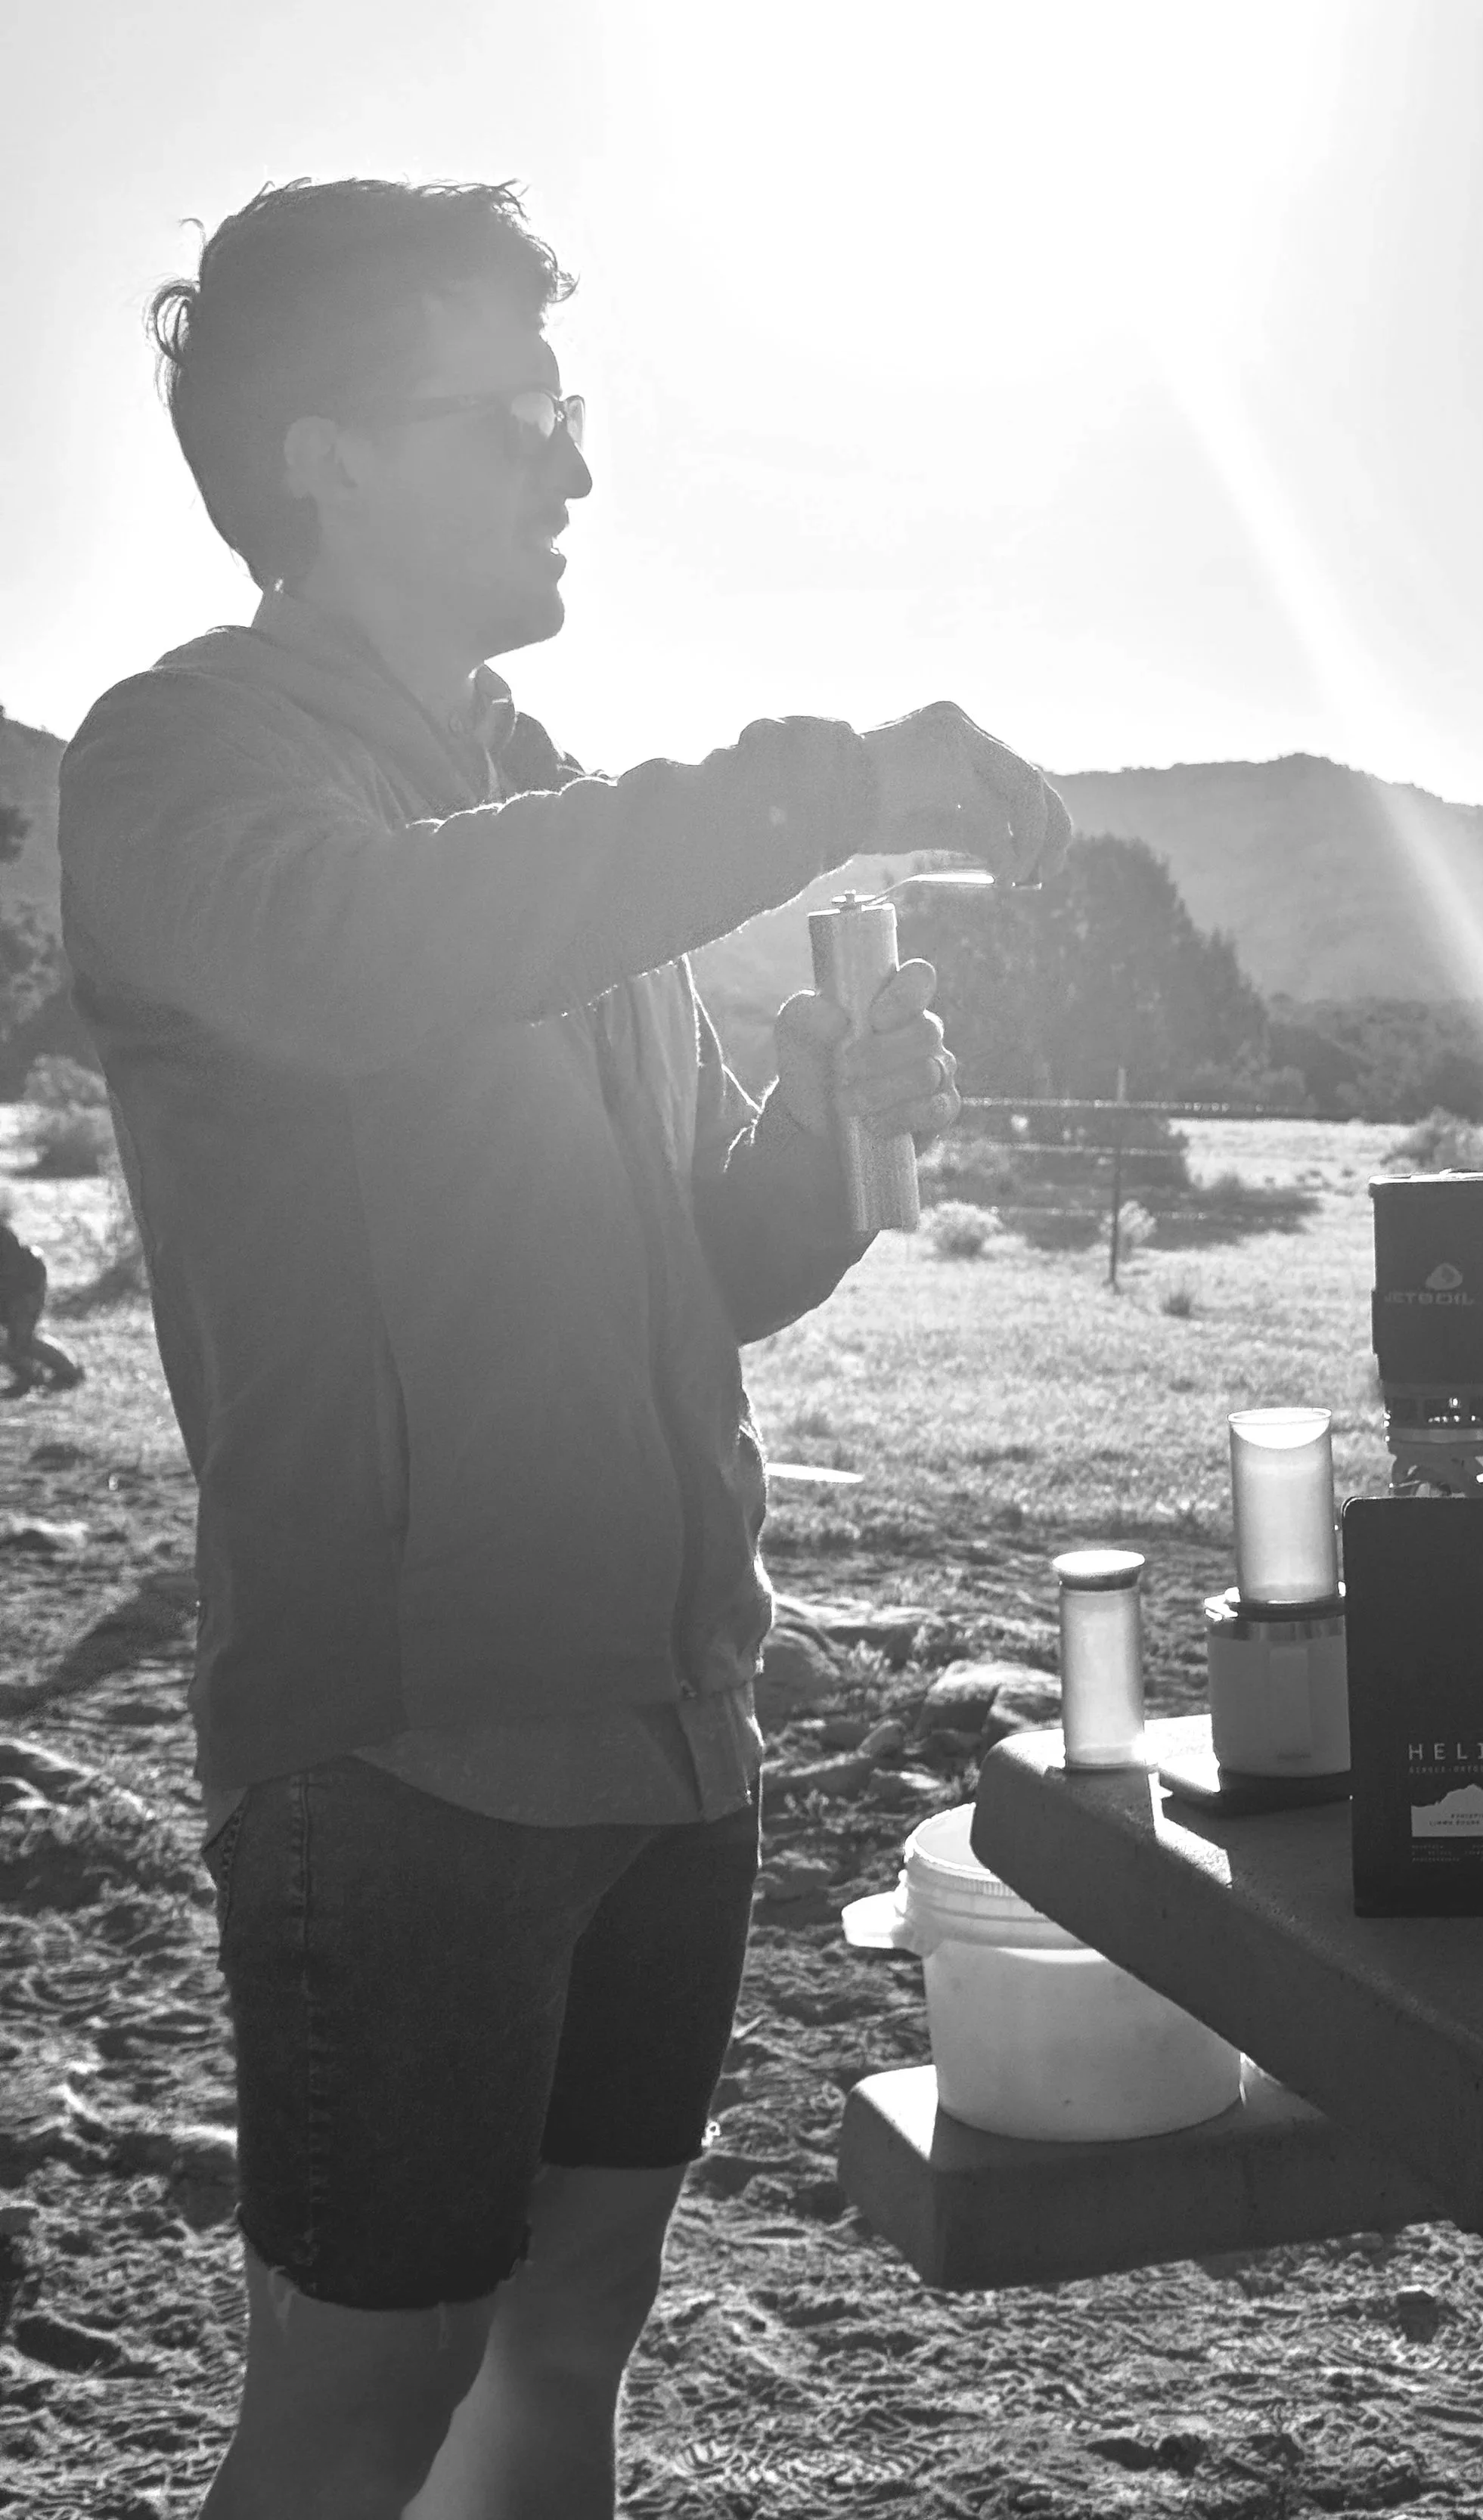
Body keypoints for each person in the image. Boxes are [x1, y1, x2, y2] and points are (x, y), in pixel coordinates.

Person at [57, 176, 1069, 2520]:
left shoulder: (548, 807)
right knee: (357, 2400)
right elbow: (358, 959)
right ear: (320, 452)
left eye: (571, 411)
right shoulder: (183, 767)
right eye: (515, 413)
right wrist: (823, 780)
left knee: (567, 2343)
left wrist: (815, 1150)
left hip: (668, 1723)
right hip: (403, 1742)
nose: (574, 466)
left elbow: (684, 1262)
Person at [0, 1215, 82, 1395]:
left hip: (24, 1285)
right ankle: (29, 1377)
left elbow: (13, 1271)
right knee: (13, 1340)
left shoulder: (4, 1238)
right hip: (12, 1286)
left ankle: (69, 1372)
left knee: (21, 1338)